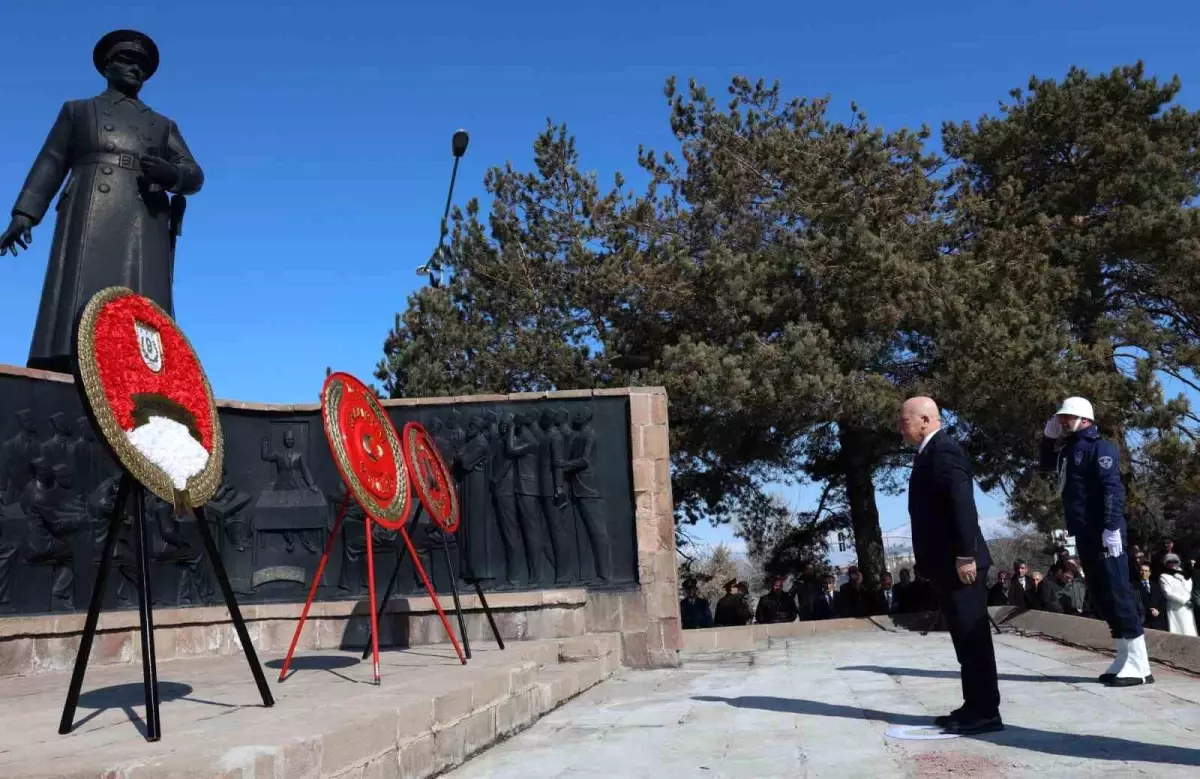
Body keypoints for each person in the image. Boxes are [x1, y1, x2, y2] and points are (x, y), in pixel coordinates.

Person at [0, 30, 204, 373]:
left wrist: (172, 175)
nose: (135, 69)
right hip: (90, 208)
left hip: (144, 215)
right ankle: (68, 357)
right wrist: (24, 213)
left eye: (142, 66)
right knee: (80, 298)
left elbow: (194, 173)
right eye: (127, 61)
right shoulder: (78, 111)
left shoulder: (162, 124)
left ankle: (143, 363)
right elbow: (51, 161)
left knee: (140, 301)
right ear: (107, 67)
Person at [900, 396, 1001, 735]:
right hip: (946, 563)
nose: (902, 427)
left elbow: (962, 505)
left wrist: (965, 555)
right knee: (963, 639)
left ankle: (986, 711)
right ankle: (974, 704)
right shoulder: (928, 452)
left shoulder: (944, 451)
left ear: (926, 420)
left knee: (974, 638)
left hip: (962, 563)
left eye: (906, 420)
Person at [1039, 396, 1151, 686]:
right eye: (1060, 418)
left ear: (1083, 419)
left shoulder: (1100, 447)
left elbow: (1112, 489)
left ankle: (1139, 663)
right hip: (1085, 532)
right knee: (1102, 594)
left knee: (1118, 591)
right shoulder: (1069, 448)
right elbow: (1047, 467)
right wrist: (1046, 440)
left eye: (1066, 417)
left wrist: (1112, 527)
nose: (1061, 421)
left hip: (1104, 531)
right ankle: (1124, 655)